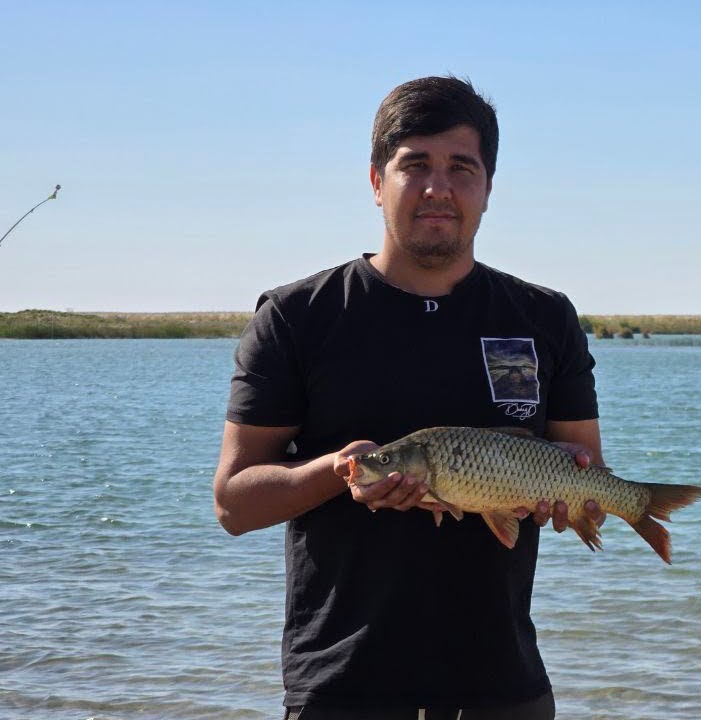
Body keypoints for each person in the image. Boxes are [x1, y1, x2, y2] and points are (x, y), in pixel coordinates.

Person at [213, 76, 605, 720]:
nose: (438, 188)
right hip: (343, 683)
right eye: (415, 165)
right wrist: (341, 472)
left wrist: (568, 495)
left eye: (461, 168)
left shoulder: (543, 316)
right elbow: (233, 503)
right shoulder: (297, 317)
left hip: (502, 681)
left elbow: (583, 463)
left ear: (488, 187)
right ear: (375, 181)